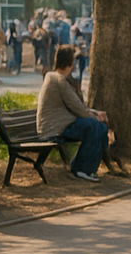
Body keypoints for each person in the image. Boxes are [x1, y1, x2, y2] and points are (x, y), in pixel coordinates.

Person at [37, 46, 111, 182]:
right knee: (94, 126)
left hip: (59, 124)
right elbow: (77, 107)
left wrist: (93, 113)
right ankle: (82, 169)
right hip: (56, 128)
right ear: (70, 63)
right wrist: (94, 115)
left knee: (99, 126)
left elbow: (77, 106)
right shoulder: (59, 80)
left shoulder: (53, 76)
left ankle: (83, 167)